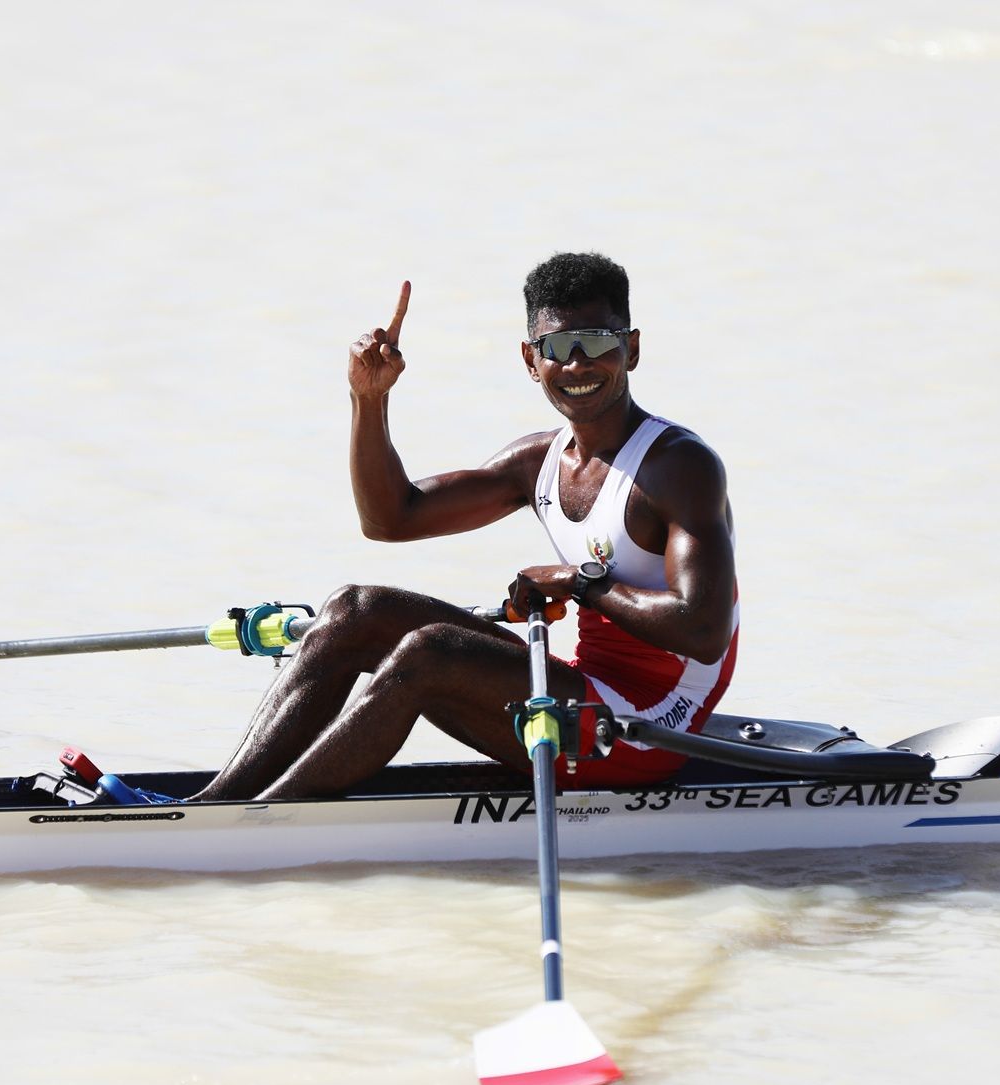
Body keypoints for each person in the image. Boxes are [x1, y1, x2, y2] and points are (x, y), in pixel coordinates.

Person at [192, 252, 737, 801]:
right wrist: (369, 399)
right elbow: (389, 518)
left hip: (656, 726)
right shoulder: (537, 463)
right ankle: (213, 807)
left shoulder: (678, 467)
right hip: (585, 694)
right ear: (530, 359)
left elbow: (704, 633)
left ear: (631, 350)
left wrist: (579, 582)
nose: (576, 364)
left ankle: (263, 821)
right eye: (556, 348)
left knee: (431, 652)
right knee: (355, 610)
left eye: (596, 342)